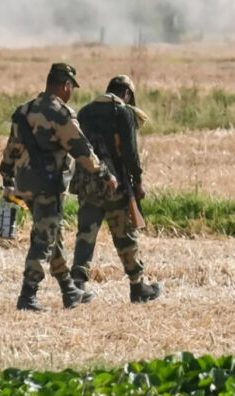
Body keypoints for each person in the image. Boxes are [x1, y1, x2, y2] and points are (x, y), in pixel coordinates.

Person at [0, 63, 117, 312]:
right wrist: (104, 173)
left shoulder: (24, 110)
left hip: (24, 184)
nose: (71, 92)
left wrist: (7, 175)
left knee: (53, 234)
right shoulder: (60, 113)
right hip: (47, 185)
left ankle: (68, 289)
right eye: (71, 88)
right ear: (65, 85)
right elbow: (81, 149)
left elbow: (11, 148)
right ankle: (28, 295)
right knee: (44, 239)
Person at [69, 75, 162, 304]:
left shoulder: (85, 112)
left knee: (85, 235)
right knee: (125, 235)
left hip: (88, 183)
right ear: (127, 93)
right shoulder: (123, 112)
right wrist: (138, 181)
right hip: (116, 185)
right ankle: (137, 287)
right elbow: (130, 153)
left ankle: (77, 286)